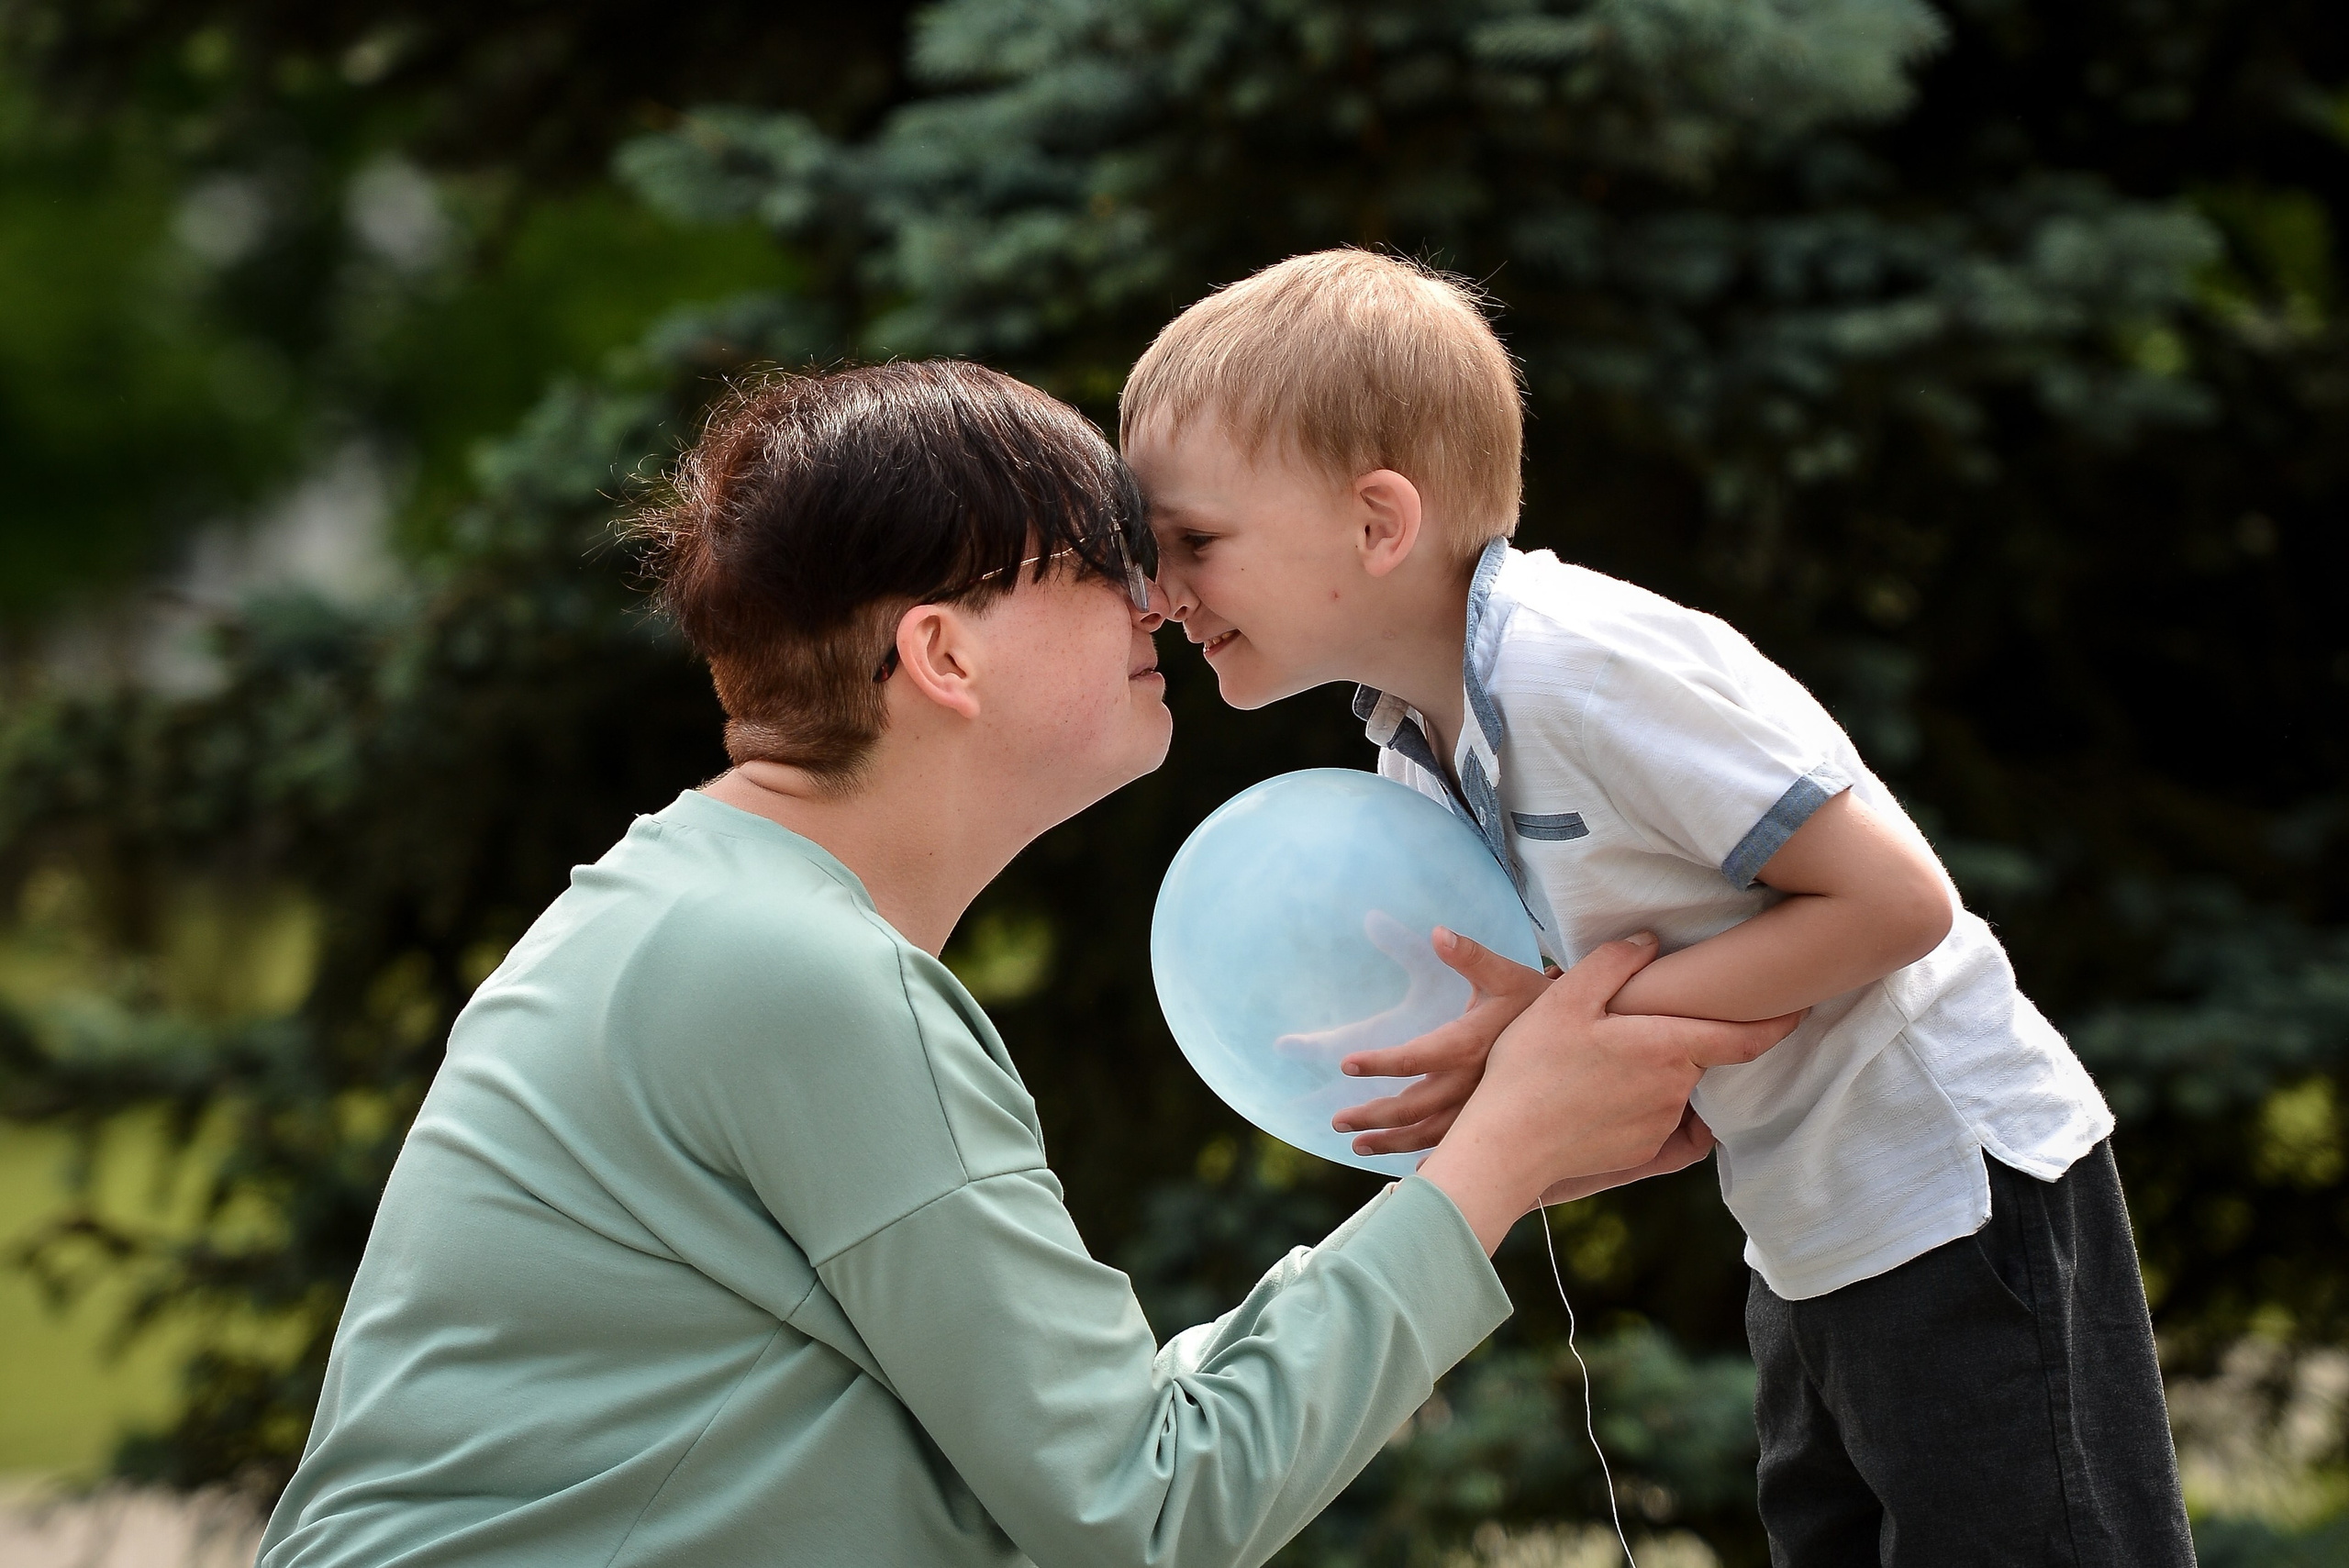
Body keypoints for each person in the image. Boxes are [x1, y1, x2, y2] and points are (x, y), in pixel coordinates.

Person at [255, 361, 1793, 1568]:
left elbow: (1086, 1453)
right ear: (944, 655)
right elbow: (1148, 1512)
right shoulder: (799, 976)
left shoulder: (700, 910)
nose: (1160, 598)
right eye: (1096, 564)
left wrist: (1485, 1166)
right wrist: (1498, 1155)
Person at [1120, 250, 2196, 1567]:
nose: (1158, 595)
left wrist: (1567, 1026)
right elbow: (1641, 1086)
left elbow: (1897, 903)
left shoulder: (1576, 663)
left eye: (1193, 543)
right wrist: (1518, 1077)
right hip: (1802, 1232)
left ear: (1379, 523)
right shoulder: (1415, 752)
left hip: (1955, 1197)